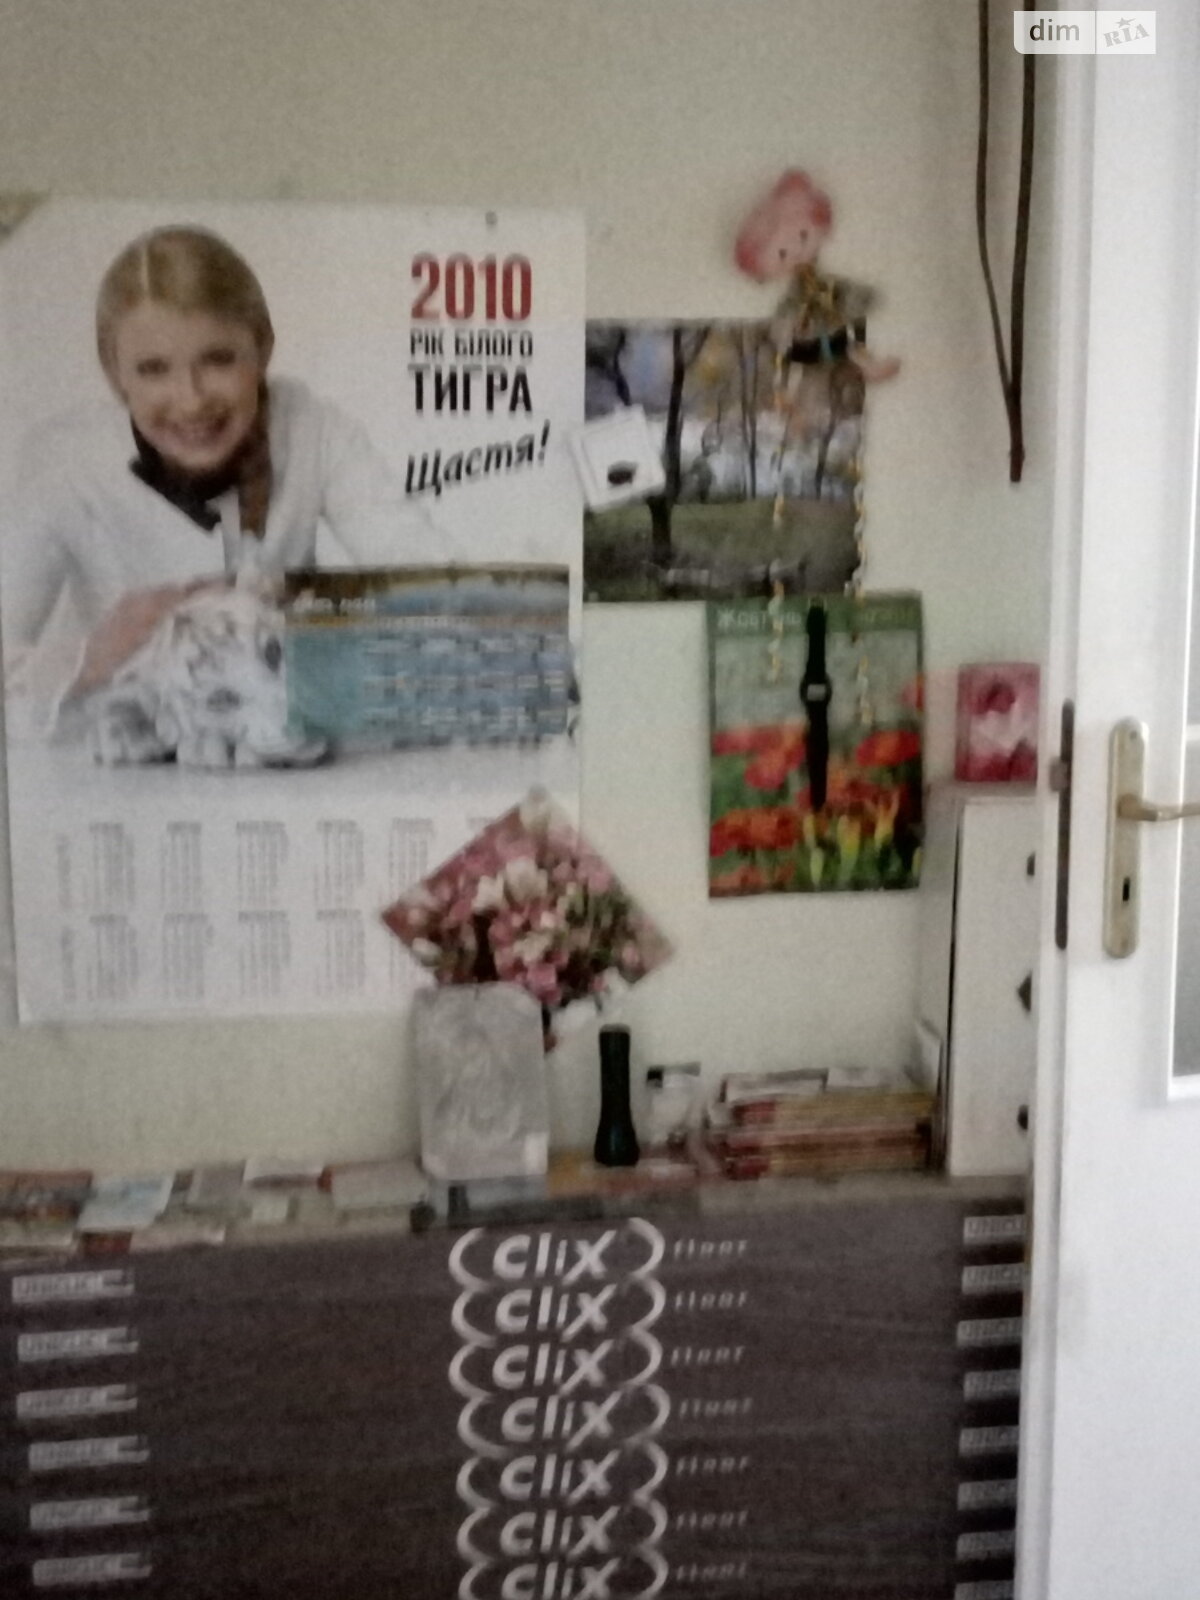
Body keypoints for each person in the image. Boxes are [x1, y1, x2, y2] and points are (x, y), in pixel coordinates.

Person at [2, 223, 446, 728]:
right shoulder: (63, 462)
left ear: (263, 346)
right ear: (113, 371)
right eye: (153, 369)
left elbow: (441, 589)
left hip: (282, 753)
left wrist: (323, 617)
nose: (191, 400)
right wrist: (90, 659)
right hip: (110, 759)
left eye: (218, 360)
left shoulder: (315, 430)